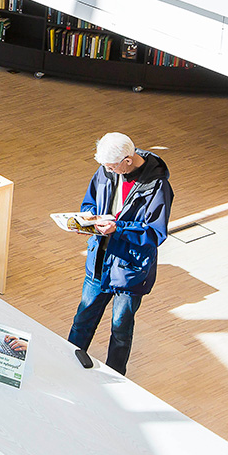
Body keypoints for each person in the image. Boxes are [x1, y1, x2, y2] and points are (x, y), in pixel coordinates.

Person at [67, 132, 173, 375]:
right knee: (82, 320)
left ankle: (115, 378)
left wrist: (119, 228)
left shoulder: (157, 187)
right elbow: (90, 202)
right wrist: (87, 219)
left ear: (128, 160)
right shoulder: (105, 171)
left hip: (129, 270)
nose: (108, 170)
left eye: (112, 166)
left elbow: (155, 234)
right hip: (99, 261)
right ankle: (66, 365)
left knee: (120, 330)